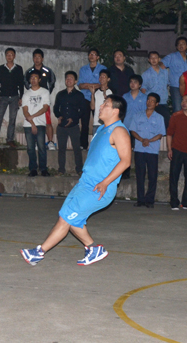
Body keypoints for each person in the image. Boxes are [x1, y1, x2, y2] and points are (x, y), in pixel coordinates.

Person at [20, 95, 131, 266]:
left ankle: (38, 252)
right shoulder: (102, 129)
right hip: (85, 183)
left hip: (99, 187)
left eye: (106, 104)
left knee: (67, 218)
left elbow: (126, 161)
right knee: (68, 216)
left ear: (116, 111)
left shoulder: (119, 131)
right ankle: (93, 249)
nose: (101, 106)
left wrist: (105, 182)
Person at [131, 93, 166, 208]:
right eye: (148, 100)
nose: (149, 102)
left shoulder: (159, 118)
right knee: (140, 175)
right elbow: (133, 130)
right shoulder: (137, 116)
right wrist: (142, 140)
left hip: (152, 150)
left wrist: (149, 140)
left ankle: (150, 200)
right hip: (139, 149)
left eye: (152, 101)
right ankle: (140, 200)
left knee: (152, 176)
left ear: (157, 104)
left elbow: (160, 134)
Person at [0, 47, 24, 147]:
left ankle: (10, 140)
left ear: (14, 56)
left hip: (14, 97)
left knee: (12, 119)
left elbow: (21, 84)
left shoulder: (18, 68)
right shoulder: (1, 68)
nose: (9, 56)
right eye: (8, 55)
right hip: (3, 97)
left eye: (11, 55)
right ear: (5, 56)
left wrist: (21, 97)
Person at [53, 71, 85, 175]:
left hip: (74, 126)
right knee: (61, 149)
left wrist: (73, 119)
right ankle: (61, 169)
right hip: (61, 126)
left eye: (71, 78)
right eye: (67, 78)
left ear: (75, 81)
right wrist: (59, 116)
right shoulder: (60, 94)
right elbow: (55, 108)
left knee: (77, 148)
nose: (68, 80)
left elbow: (82, 110)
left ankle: (79, 169)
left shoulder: (79, 95)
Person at [24, 48, 57, 149]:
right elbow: (25, 83)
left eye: (39, 57)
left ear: (42, 58)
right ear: (33, 58)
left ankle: (50, 142)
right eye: (35, 57)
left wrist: (45, 94)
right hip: (32, 100)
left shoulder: (48, 71)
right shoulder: (29, 71)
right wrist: (33, 93)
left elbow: (52, 82)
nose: (37, 59)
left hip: (44, 100)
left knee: (48, 121)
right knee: (33, 119)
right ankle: (35, 143)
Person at [23, 71, 51, 177]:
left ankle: (43, 169)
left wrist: (33, 117)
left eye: (36, 77)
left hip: (40, 124)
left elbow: (45, 108)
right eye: (31, 77)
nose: (33, 79)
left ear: (39, 79)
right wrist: (32, 123)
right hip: (28, 125)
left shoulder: (44, 92)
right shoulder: (26, 94)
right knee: (30, 148)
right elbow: (25, 111)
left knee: (41, 147)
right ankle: (33, 169)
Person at [78, 48, 107, 149]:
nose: (92, 56)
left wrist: (88, 85)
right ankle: (83, 144)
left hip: (98, 97)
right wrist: (94, 85)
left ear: (98, 57)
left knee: (100, 121)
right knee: (84, 122)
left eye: (94, 54)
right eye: (90, 54)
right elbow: (80, 85)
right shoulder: (83, 69)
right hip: (85, 98)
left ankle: (99, 144)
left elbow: (102, 84)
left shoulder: (103, 68)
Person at [122, 74, 148, 180]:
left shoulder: (145, 98)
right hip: (127, 127)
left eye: (135, 82)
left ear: (140, 85)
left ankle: (140, 173)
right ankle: (125, 173)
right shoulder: (125, 97)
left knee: (139, 152)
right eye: (131, 82)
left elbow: (145, 113)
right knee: (125, 151)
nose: (133, 84)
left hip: (139, 128)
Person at [141, 51, 170, 126]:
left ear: (159, 59)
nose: (154, 60)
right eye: (151, 58)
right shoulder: (146, 74)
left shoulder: (165, 72)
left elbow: (168, 84)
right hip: (152, 104)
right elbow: (143, 89)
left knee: (166, 123)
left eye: (156, 58)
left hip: (163, 102)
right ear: (149, 60)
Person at [161, 36, 187, 113]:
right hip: (176, 86)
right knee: (177, 108)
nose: (181, 45)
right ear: (176, 47)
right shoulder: (171, 56)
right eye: (179, 44)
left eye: (183, 43)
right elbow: (161, 64)